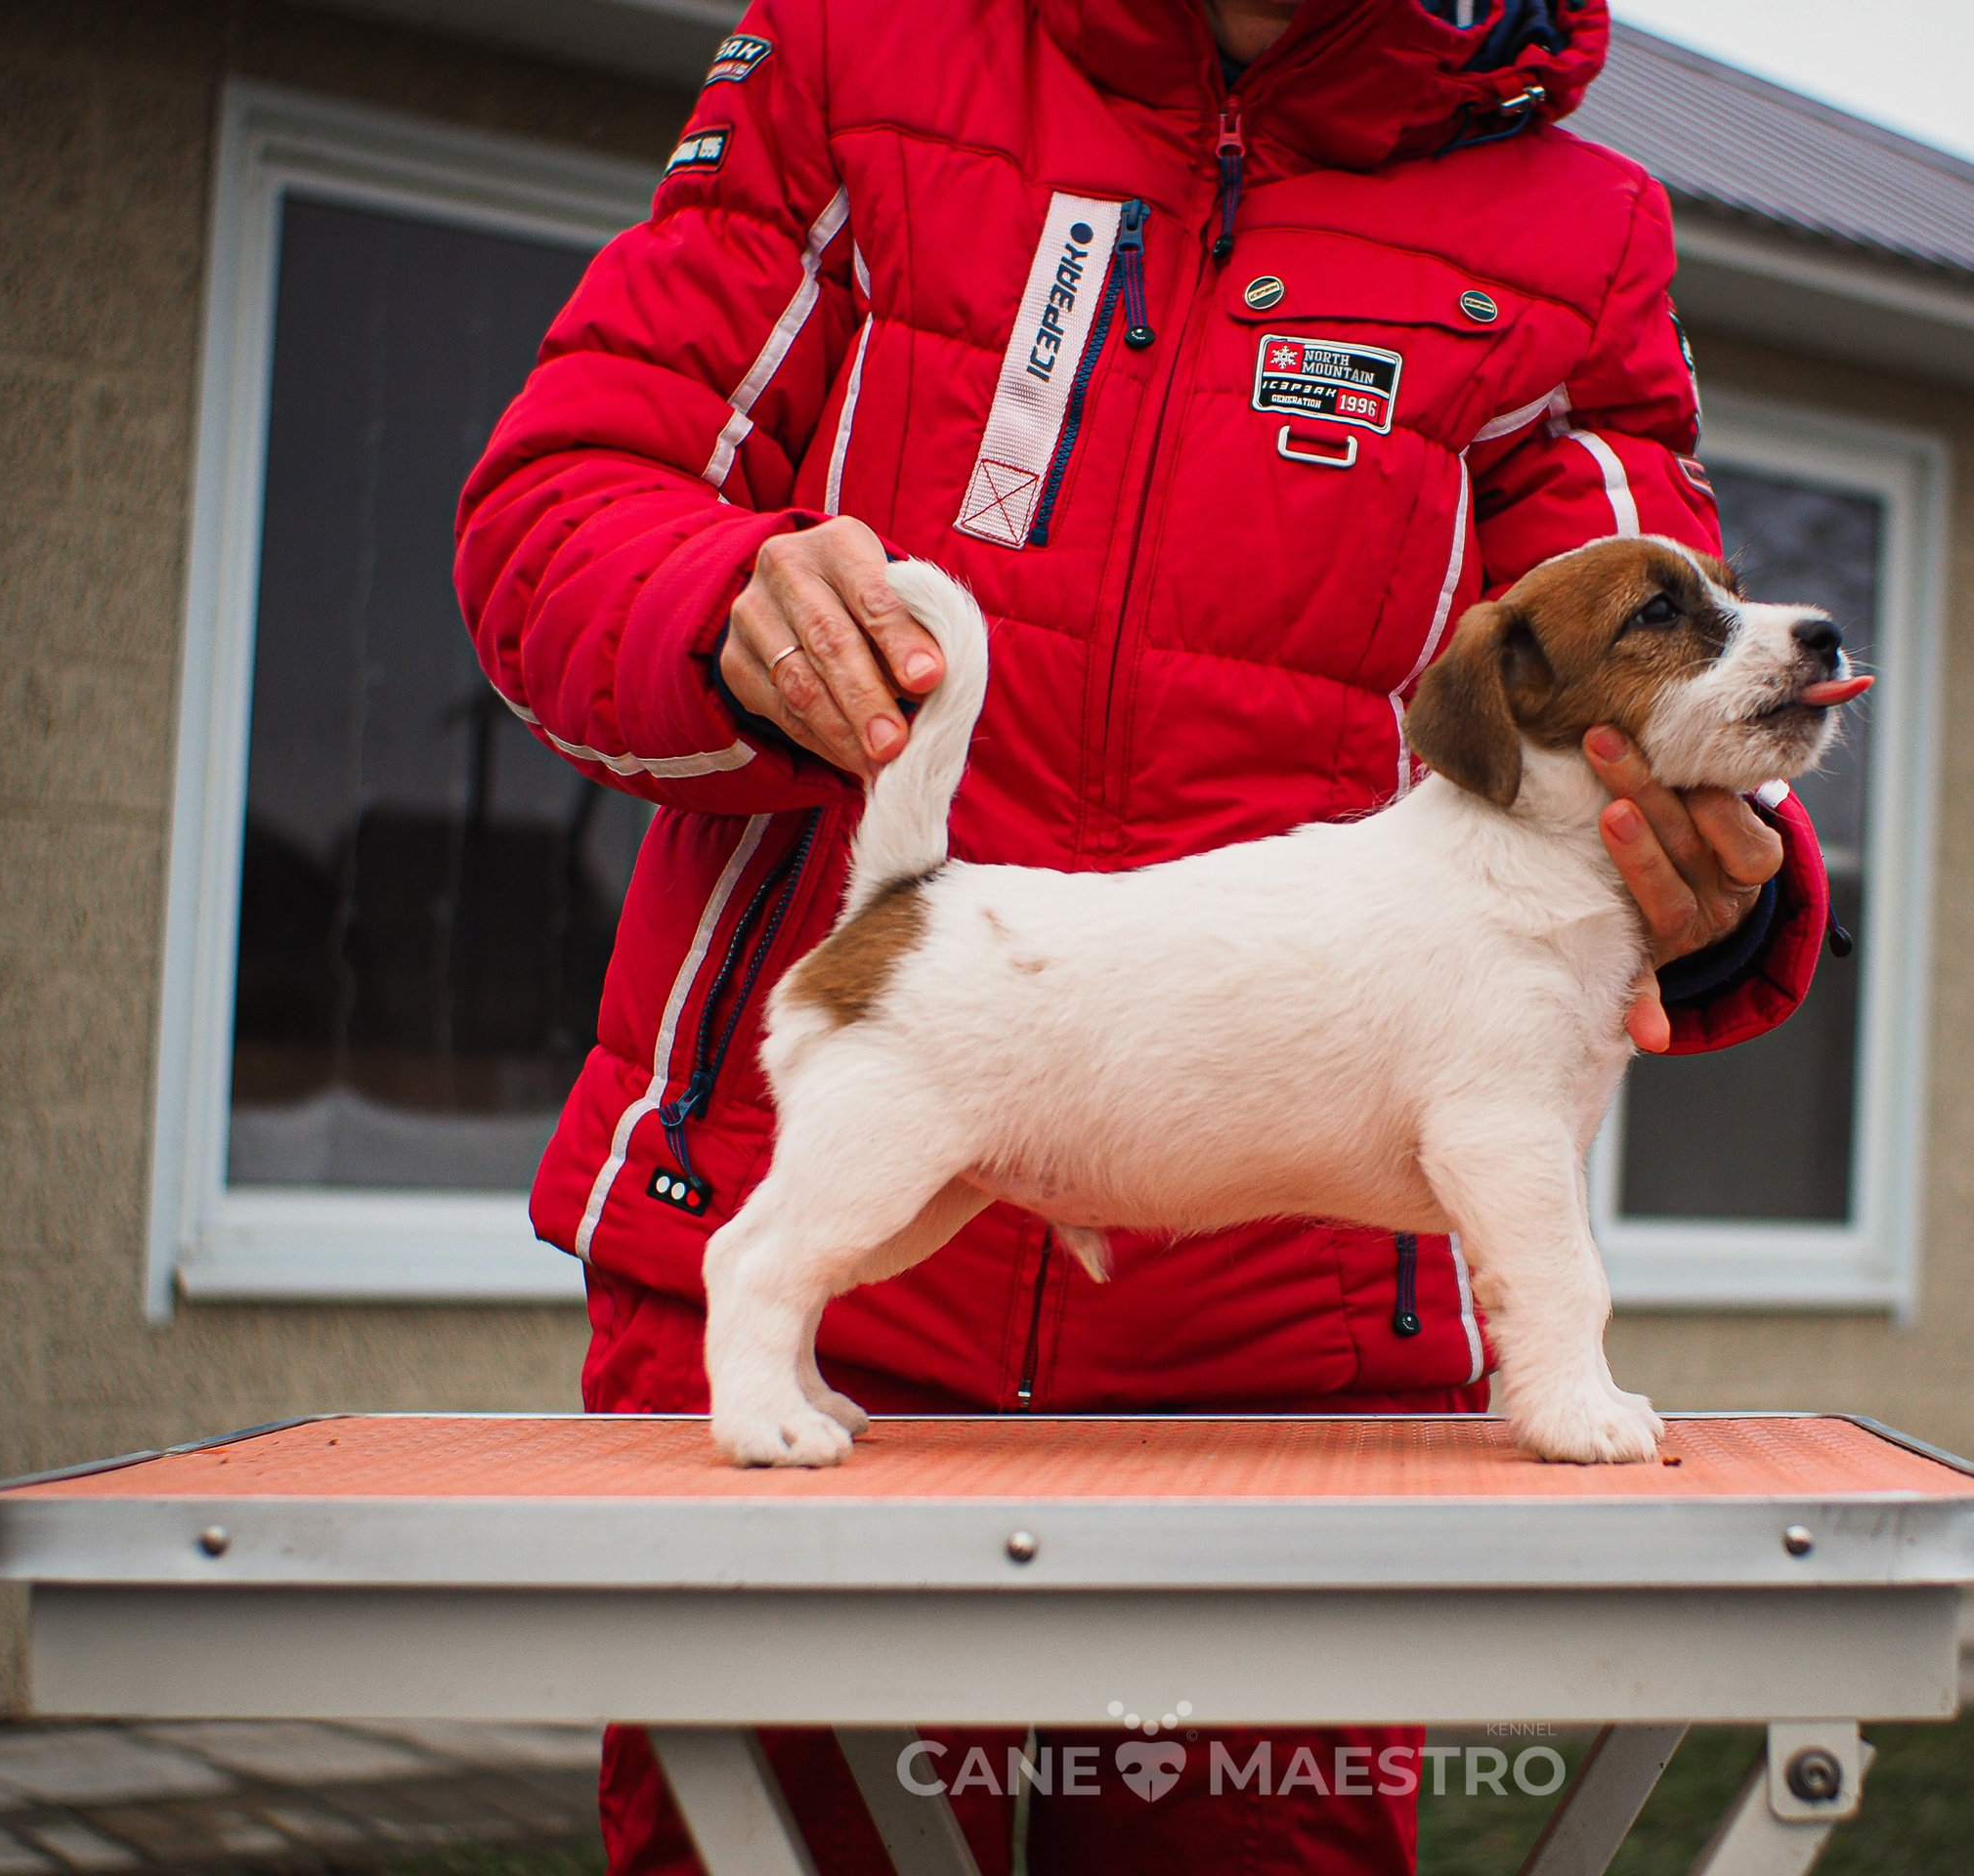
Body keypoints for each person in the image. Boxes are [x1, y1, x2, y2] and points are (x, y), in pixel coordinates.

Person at [455, 0, 1831, 1868]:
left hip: (1295, 1329)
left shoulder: (1572, 231)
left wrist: (1721, 876)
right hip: (846, 1226)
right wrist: (719, 604)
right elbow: (562, 504)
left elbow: (1644, 648)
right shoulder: (857, 49)